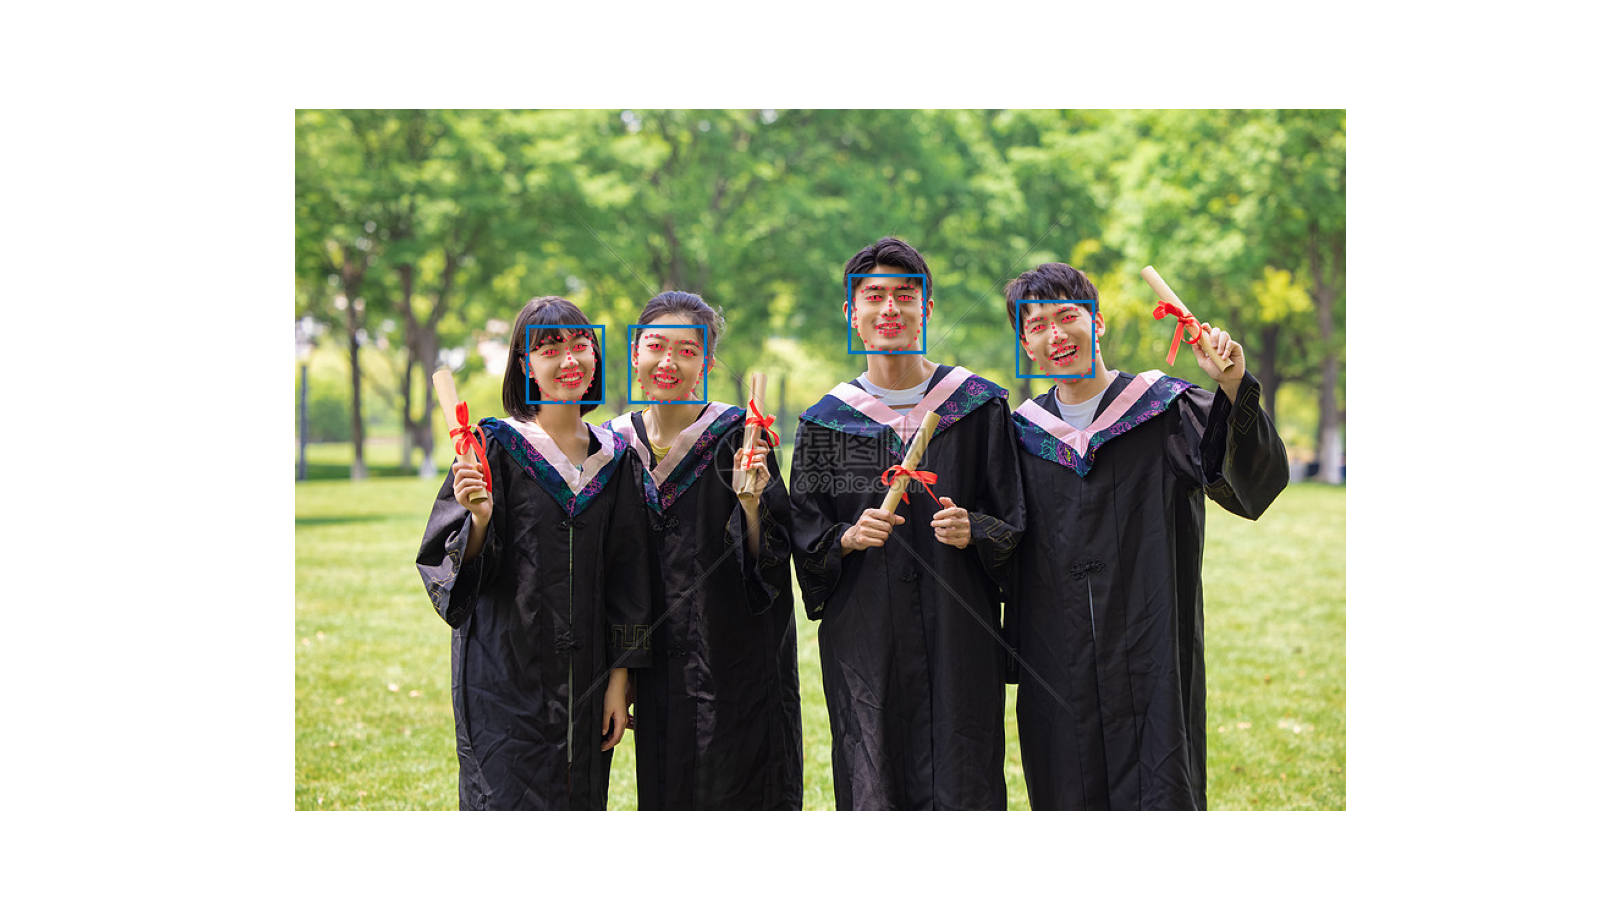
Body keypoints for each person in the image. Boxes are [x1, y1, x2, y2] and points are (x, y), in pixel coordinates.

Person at [1003, 263, 1289, 810]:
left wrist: (1231, 384)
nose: (1055, 334)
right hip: (1059, 656)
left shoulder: (1164, 409)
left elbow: (1252, 482)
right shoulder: (1019, 435)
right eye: (1037, 325)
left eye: (1068, 316)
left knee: (1161, 785)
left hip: (1153, 647)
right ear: (1026, 345)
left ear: (1097, 322)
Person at [789, 237, 1026, 810]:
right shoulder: (825, 423)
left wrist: (977, 529)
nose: (889, 308)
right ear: (852, 313)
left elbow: (1016, 520)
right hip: (867, 640)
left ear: (928, 308)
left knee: (964, 777)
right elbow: (805, 535)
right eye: (874, 296)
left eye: (905, 294)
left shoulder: (977, 406)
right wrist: (847, 539)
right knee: (873, 776)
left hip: (959, 630)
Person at [416, 295, 652, 810]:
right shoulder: (492, 447)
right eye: (549, 349)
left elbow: (630, 577)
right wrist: (480, 518)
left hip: (588, 679)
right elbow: (448, 572)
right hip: (504, 678)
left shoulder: (617, 461)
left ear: (595, 356)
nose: (569, 360)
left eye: (580, 344)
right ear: (525, 365)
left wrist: (620, 680)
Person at [602, 291, 802, 810]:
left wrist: (750, 504)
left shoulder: (743, 436)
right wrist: (621, 669)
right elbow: (613, 572)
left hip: (734, 658)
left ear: (707, 363)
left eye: (687, 350)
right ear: (635, 354)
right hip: (653, 663)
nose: (668, 362)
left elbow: (772, 564)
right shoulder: (611, 446)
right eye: (655, 346)